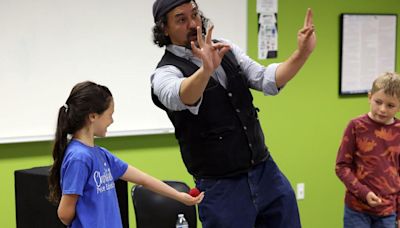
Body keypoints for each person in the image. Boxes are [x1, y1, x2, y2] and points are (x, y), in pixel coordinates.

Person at [150, 0, 316, 227]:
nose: (193, 23)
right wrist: (206, 70)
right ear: (164, 29)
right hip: (221, 188)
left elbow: (265, 79)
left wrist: (302, 53)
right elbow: (181, 96)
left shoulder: (224, 48)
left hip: (265, 172)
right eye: (181, 19)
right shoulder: (165, 72)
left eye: (195, 14)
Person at [48, 81, 204, 228]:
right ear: (93, 116)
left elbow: (143, 179)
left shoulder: (101, 155)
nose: (112, 121)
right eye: (110, 114)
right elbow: (64, 214)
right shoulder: (79, 158)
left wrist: (180, 196)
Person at [335, 72, 400, 228]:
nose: (382, 109)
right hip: (357, 210)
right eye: (378, 102)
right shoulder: (356, 126)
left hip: (388, 212)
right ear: (370, 97)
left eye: (390, 105)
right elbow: (342, 167)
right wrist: (364, 193)